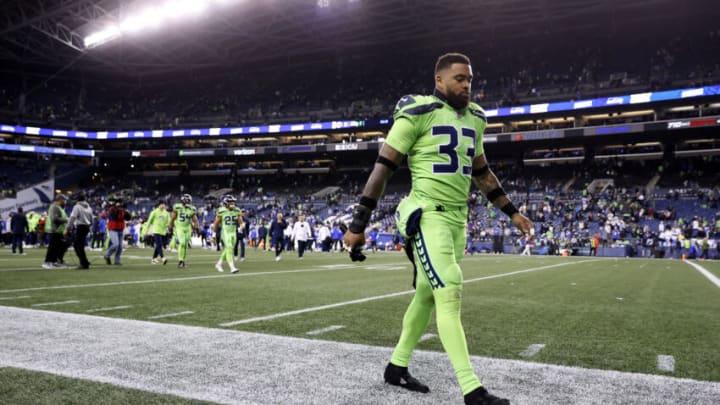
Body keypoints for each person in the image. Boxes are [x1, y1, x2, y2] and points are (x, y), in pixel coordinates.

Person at [343, 53, 533, 405]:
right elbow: (382, 168)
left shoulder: (476, 118)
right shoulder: (417, 111)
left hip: (456, 220)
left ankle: (396, 367)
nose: (466, 85)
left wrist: (513, 214)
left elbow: (482, 173)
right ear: (440, 80)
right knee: (450, 288)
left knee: (427, 295)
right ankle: (472, 390)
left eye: (470, 79)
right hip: (426, 215)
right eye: (459, 78)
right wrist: (359, 224)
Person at [169, 194, 199, 268]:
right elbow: (173, 218)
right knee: (182, 243)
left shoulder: (192, 209)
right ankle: (180, 261)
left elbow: (195, 220)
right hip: (179, 227)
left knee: (185, 244)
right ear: (183, 201)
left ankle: (182, 261)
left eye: (189, 201)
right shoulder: (177, 207)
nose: (188, 202)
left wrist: (197, 228)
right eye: (187, 200)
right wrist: (170, 226)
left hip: (188, 228)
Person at [213, 195, 241, 273]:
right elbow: (216, 223)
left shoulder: (237, 210)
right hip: (225, 232)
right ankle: (232, 267)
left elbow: (240, 221)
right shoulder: (221, 211)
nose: (232, 204)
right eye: (230, 202)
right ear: (226, 203)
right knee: (229, 248)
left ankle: (219, 264)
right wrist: (214, 234)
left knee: (229, 249)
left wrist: (242, 226)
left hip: (233, 232)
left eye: (233, 202)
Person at [65, 193, 93, 269]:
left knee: (78, 246)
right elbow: (92, 220)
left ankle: (84, 263)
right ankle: (85, 262)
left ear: (77, 200)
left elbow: (72, 218)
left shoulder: (77, 207)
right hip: (86, 227)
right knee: (79, 245)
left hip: (80, 227)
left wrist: (67, 228)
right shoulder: (89, 208)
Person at [43, 194, 69, 269]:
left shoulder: (58, 207)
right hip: (54, 230)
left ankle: (53, 261)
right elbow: (55, 219)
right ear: (60, 200)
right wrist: (67, 219)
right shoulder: (54, 207)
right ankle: (47, 262)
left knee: (57, 247)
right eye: (63, 200)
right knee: (52, 247)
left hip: (58, 230)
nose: (64, 201)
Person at [104, 198, 131, 266]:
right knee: (116, 244)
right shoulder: (112, 209)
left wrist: (125, 212)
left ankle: (117, 261)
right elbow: (114, 217)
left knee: (120, 246)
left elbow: (128, 218)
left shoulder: (122, 210)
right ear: (115, 203)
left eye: (121, 203)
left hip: (120, 229)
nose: (120, 204)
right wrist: (118, 210)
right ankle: (107, 255)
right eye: (119, 203)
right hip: (113, 229)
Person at [146, 200, 170, 265]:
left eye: (164, 204)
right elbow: (149, 221)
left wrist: (169, 228)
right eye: (162, 204)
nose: (163, 205)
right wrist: (145, 231)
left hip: (163, 232)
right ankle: (163, 258)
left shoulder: (166, 213)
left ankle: (153, 259)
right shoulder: (154, 212)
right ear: (159, 205)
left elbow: (168, 222)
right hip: (156, 231)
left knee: (158, 246)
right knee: (159, 245)